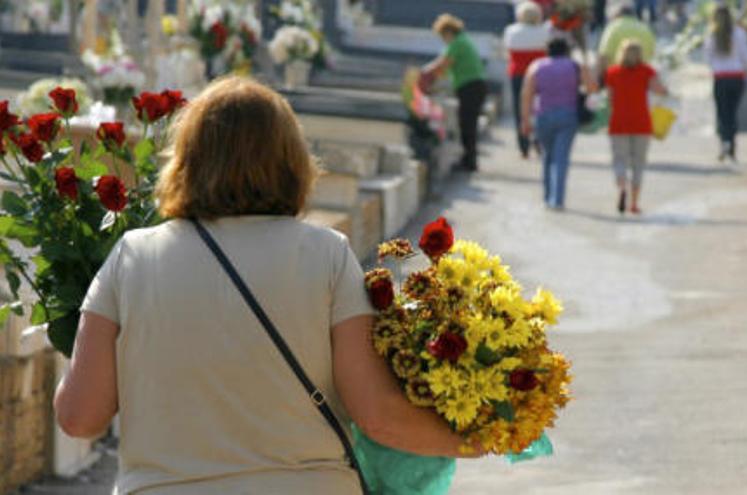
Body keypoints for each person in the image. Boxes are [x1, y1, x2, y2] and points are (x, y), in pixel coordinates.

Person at [53, 77, 477, 495]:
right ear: (292, 161)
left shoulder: (132, 258)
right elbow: (377, 414)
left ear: (186, 159)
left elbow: (80, 417)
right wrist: (479, 438)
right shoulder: (326, 255)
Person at [521, 38, 598, 211]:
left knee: (547, 156)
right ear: (566, 50)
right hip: (567, 115)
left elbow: (527, 94)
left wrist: (525, 120)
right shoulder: (574, 66)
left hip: (543, 116)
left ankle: (548, 196)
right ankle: (558, 199)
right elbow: (592, 87)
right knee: (561, 158)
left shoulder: (536, 66)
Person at [605, 40, 668, 215]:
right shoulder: (647, 71)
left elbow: (610, 99)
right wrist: (666, 90)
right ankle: (634, 203)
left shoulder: (613, 72)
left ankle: (621, 185)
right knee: (638, 163)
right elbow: (659, 90)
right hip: (641, 122)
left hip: (619, 121)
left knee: (620, 160)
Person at [424, 14, 488, 172]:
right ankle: (468, 159)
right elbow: (445, 69)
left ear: (447, 32)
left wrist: (424, 74)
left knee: (467, 124)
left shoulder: (457, 43)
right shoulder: (461, 41)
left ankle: (469, 161)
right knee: (467, 123)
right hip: (473, 86)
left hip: (471, 86)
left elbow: (442, 64)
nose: (443, 39)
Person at [704, 4, 747, 162]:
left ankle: (724, 141)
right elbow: (746, 57)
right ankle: (731, 145)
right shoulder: (739, 33)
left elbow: (708, 59)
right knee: (732, 113)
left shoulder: (712, 35)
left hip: (721, 77)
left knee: (722, 113)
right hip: (737, 76)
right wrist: (746, 70)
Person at [503, 1, 549, 159]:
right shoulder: (544, 32)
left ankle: (523, 144)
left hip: (518, 74)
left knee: (519, 109)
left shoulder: (511, 31)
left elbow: (506, 50)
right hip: (539, 74)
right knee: (538, 107)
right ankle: (538, 139)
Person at [597, 5, 656, 77]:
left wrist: (601, 77)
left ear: (618, 15)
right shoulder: (645, 28)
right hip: (641, 76)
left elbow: (603, 55)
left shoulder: (612, 28)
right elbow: (652, 52)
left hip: (618, 77)